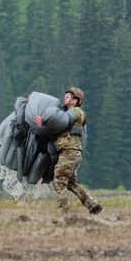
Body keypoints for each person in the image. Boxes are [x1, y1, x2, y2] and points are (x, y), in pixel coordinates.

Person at [34, 87, 103, 216]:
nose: (65, 97)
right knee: (71, 183)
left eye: (69, 96)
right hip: (71, 152)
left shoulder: (77, 112)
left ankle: (63, 214)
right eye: (65, 95)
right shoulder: (69, 112)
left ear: (76, 100)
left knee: (59, 181)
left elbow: (60, 121)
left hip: (69, 151)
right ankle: (93, 206)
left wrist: (44, 120)